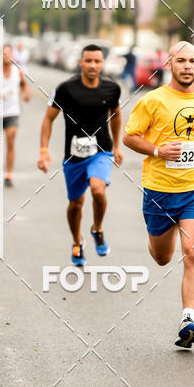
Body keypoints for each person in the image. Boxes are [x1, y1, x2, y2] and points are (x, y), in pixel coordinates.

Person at [122, 41, 194, 349]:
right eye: (181, 61)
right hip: (159, 190)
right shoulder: (153, 100)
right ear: (169, 64)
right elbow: (129, 137)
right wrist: (158, 149)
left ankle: (188, 320)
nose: (187, 66)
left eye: (192, 61)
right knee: (162, 257)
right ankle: (160, 234)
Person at [37, 44, 123, 266]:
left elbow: (115, 115)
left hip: (101, 150)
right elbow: (48, 119)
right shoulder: (66, 89)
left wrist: (117, 147)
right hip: (73, 155)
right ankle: (77, 241)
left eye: (97, 61)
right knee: (75, 204)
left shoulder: (112, 89)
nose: (93, 65)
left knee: (98, 189)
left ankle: (97, 228)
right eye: (89, 61)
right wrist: (44, 150)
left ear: (103, 63)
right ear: (81, 62)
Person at [1, 44, 31, 187]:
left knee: (10, 141)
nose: (6, 56)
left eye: (8, 53)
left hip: (12, 111)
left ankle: (8, 174)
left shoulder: (17, 71)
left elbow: (24, 85)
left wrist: (26, 93)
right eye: (3, 53)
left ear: (12, 56)